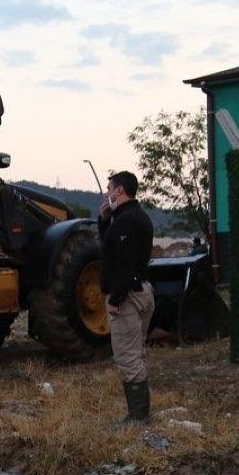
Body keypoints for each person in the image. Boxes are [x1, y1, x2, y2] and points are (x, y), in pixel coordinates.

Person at [98, 170, 154, 426]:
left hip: (128, 296)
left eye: (110, 189)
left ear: (120, 190)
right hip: (141, 290)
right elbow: (111, 249)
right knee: (136, 353)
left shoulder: (127, 221)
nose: (108, 193)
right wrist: (104, 220)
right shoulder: (132, 217)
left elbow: (123, 263)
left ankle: (138, 416)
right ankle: (139, 413)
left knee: (127, 357)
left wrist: (116, 298)